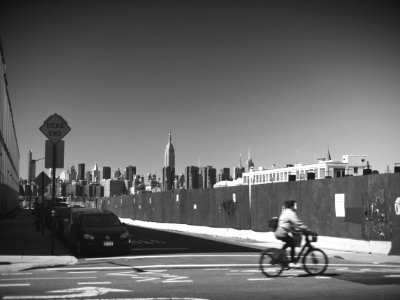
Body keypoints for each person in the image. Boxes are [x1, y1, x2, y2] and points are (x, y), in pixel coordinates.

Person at [275, 200, 308, 268]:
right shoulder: (290, 213)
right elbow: (297, 223)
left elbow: (290, 224)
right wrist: (306, 228)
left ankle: (281, 254)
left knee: (290, 243)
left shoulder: (286, 211)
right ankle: (292, 262)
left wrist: (297, 229)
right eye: (295, 205)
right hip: (282, 232)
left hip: (279, 231)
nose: (295, 207)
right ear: (292, 206)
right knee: (292, 244)